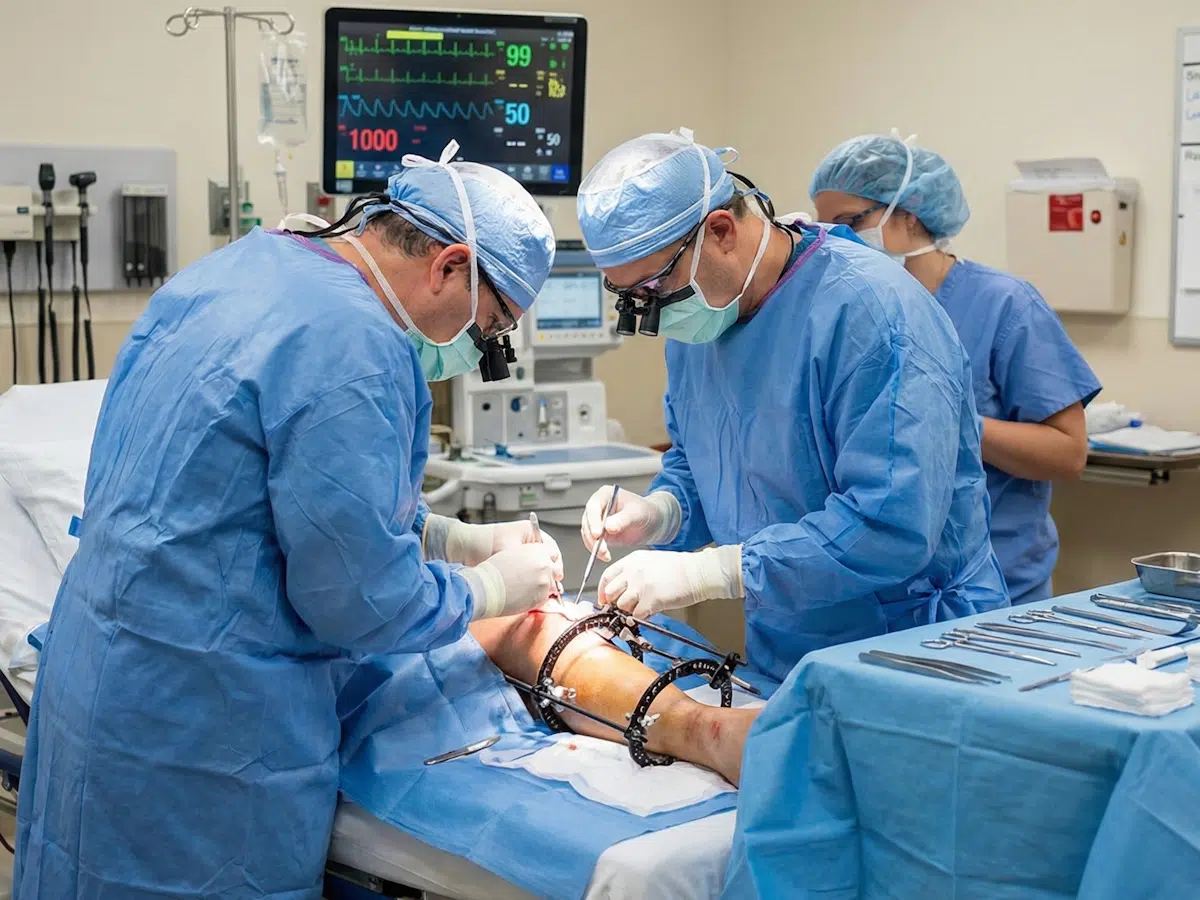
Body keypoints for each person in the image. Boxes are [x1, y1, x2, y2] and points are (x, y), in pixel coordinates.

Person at [15, 143, 566, 898]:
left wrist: (448, 535)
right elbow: (363, 603)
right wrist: (491, 587)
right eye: (489, 328)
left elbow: (250, 491)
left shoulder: (234, 270)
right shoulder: (356, 345)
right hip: (205, 722)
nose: (477, 353)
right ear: (450, 266)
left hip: (102, 674)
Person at [575, 128, 1009, 683]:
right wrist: (662, 512)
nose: (651, 311)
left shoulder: (874, 314)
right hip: (788, 646)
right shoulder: (704, 319)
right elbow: (703, 460)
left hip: (913, 649)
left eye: (655, 287)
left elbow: (890, 524)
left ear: (721, 231)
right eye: (629, 296)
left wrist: (716, 571)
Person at [810, 132, 1102, 604]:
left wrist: (955, 424)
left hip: (992, 586)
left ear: (908, 214)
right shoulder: (849, 312)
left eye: (849, 222)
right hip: (879, 587)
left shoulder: (1003, 305)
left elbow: (1068, 454)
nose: (837, 240)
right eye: (825, 228)